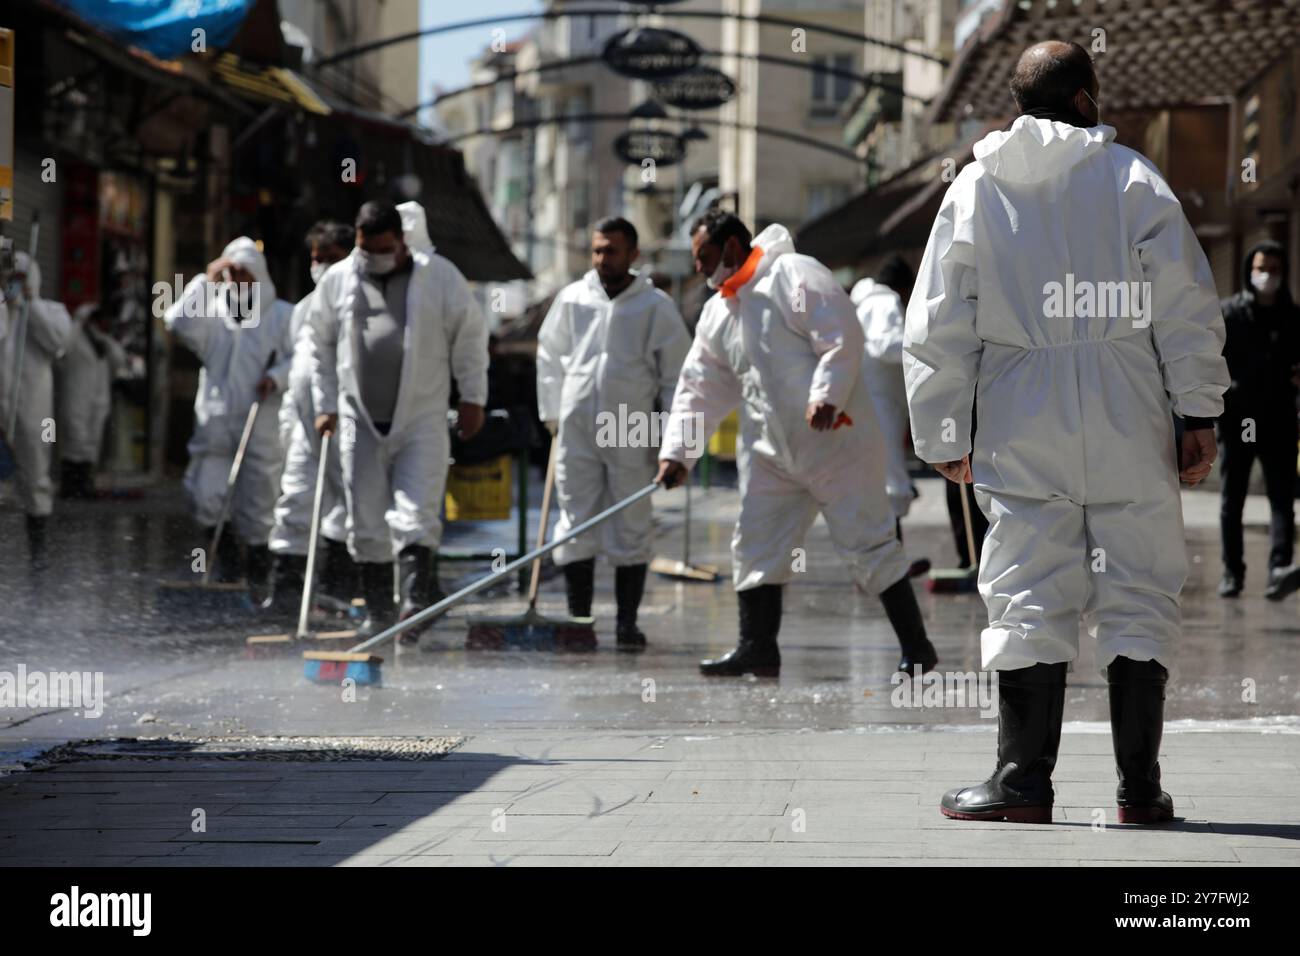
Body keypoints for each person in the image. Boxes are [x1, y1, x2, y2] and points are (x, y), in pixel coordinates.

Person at [905, 41, 1229, 824]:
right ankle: (1139, 793)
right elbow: (1185, 302)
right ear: (1087, 99)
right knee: (1140, 583)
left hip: (1022, 404)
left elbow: (938, 318)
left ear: (1019, 103)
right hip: (1128, 397)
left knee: (1024, 583)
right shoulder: (1132, 181)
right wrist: (1200, 411)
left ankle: (1021, 784)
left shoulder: (976, 191)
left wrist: (943, 427)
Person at [656, 210, 937, 677]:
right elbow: (699, 386)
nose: (700, 269)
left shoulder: (793, 275)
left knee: (869, 541)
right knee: (755, 544)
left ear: (729, 247)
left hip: (836, 442)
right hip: (771, 454)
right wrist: (677, 454)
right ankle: (757, 648)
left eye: (704, 257)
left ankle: (916, 647)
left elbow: (843, 334)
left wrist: (826, 394)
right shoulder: (718, 312)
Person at [310, 200, 488, 642]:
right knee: (365, 518)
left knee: (417, 511)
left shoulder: (440, 277)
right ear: (357, 240)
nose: (373, 258)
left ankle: (415, 602)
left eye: (384, 249)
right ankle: (378, 613)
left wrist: (473, 397)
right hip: (358, 418)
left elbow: (469, 336)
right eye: (366, 249)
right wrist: (325, 403)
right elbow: (320, 344)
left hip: (423, 415)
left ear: (402, 242)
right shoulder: (338, 280)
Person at [536, 217, 691, 650]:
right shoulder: (572, 299)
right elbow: (549, 356)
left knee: (631, 520)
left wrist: (677, 444)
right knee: (575, 518)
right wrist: (552, 413)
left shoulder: (655, 306)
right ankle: (579, 621)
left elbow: (677, 378)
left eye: (613, 250)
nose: (603, 258)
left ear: (633, 255)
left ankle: (626, 624)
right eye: (598, 250)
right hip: (578, 424)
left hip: (629, 424)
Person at [164, 237, 295, 601]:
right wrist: (207, 280)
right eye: (231, 273)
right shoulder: (214, 312)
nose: (237, 281)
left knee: (258, 506)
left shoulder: (283, 316)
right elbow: (176, 322)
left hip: (261, 422)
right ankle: (225, 564)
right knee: (205, 494)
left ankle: (256, 576)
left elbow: (302, 357)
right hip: (216, 422)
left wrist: (278, 377)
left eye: (243, 273)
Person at [265, 222, 354, 617]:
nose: (319, 266)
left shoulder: (356, 305)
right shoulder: (303, 310)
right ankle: (287, 594)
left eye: (329, 258)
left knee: (353, 508)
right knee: (296, 503)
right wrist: (290, 426)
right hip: (306, 427)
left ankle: (346, 591)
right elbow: (296, 372)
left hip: (345, 426)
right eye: (315, 259)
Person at [1217, 239, 1300, 601]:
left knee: (1282, 499)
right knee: (1231, 500)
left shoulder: (1292, 317)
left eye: (1274, 270)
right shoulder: (1231, 313)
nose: (1267, 276)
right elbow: (1212, 361)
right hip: (1238, 421)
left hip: (1279, 420)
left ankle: (1280, 570)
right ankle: (1232, 572)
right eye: (1261, 269)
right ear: (1250, 271)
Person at [850, 256, 931, 577]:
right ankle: (886, 566)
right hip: (880, 406)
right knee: (889, 484)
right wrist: (925, 343)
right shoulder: (885, 303)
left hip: (872, 404)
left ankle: (885, 562)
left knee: (881, 484)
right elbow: (886, 345)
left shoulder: (865, 305)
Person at [0, 252, 72, 568]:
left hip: (33, 406)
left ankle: (38, 549)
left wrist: (30, 305)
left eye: (19, 279)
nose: (13, 285)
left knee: (34, 470)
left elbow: (58, 343)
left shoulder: (51, 312)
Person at [57, 304, 128, 499]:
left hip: (98, 398)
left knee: (91, 443)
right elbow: (62, 347)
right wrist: (78, 322)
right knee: (75, 441)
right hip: (77, 395)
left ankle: (84, 484)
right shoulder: (75, 338)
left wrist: (105, 339)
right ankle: (70, 485)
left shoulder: (101, 341)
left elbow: (119, 358)